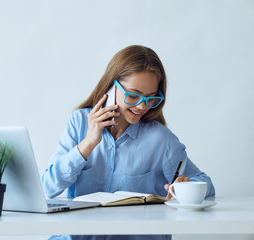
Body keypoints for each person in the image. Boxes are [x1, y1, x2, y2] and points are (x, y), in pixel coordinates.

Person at [42, 45, 215, 240]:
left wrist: (188, 185)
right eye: (133, 96)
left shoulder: (161, 139)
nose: (142, 106)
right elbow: (47, 189)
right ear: (111, 86)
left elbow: (206, 184)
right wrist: (88, 143)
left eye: (151, 98)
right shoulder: (79, 123)